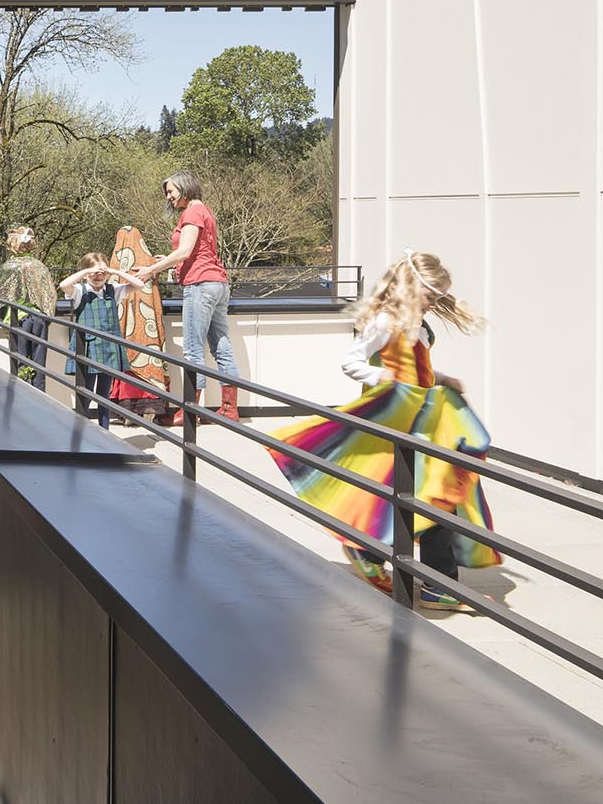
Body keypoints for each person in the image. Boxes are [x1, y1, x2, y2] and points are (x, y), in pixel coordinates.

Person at [266, 250, 500, 608]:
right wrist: (382, 377)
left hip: (421, 422)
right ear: (411, 287)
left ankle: (423, 577)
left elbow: (417, 372)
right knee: (413, 497)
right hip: (396, 423)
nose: (435, 303)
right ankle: (403, 568)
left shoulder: (419, 325)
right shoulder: (385, 322)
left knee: (434, 496)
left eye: (438, 298)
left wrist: (443, 378)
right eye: (430, 296)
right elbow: (351, 361)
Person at [137, 172, 241, 424]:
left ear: (185, 188)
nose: (168, 197)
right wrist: (167, 262)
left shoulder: (192, 213)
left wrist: (151, 270)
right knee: (222, 347)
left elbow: (184, 251)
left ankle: (190, 412)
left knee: (193, 350)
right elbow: (196, 252)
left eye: (171, 191)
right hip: (217, 283)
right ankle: (229, 409)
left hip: (200, 285)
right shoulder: (204, 211)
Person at [58, 253, 148, 430]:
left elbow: (139, 285)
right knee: (85, 391)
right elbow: (63, 285)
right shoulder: (79, 291)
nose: (98, 276)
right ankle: (81, 430)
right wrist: (87, 270)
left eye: (102, 272)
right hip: (88, 347)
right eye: (94, 272)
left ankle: (104, 431)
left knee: (104, 393)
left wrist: (114, 270)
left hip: (109, 347)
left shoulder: (113, 290)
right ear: (86, 273)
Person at [107, 225, 173, 421]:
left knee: (126, 361)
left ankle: (126, 411)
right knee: (148, 359)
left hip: (125, 330)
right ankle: (150, 409)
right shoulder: (150, 263)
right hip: (148, 330)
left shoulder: (115, 264)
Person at [0, 226, 56, 390]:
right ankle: (39, 398)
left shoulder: (9, 266)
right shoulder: (39, 266)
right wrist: (46, 314)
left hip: (17, 318)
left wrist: (3, 314)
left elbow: (2, 294)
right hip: (39, 318)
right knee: (39, 364)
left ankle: (22, 400)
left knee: (20, 362)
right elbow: (49, 293)